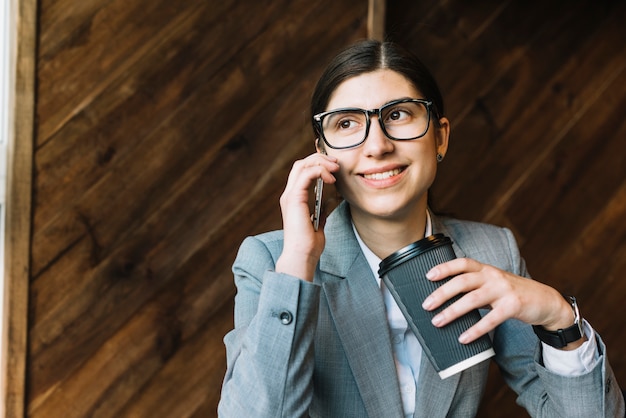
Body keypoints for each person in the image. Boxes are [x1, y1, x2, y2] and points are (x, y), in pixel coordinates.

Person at [218, 40, 624, 417]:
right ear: (323, 152)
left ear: (441, 137)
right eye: (347, 124)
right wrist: (299, 265)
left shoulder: (491, 250)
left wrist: (557, 316)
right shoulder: (272, 263)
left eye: (398, 115)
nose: (377, 146)